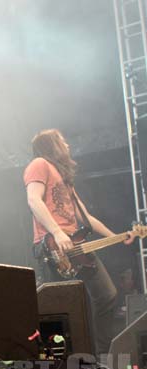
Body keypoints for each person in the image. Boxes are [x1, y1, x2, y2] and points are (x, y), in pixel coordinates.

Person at [24, 129, 137, 355]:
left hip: (76, 245)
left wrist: (118, 236)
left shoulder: (65, 180)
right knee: (61, 307)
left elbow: (86, 217)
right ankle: (64, 361)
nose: (66, 144)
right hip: (53, 246)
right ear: (51, 144)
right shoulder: (39, 164)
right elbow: (33, 200)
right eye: (62, 141)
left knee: (107, 295)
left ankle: (102, 356)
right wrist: (57, 232)